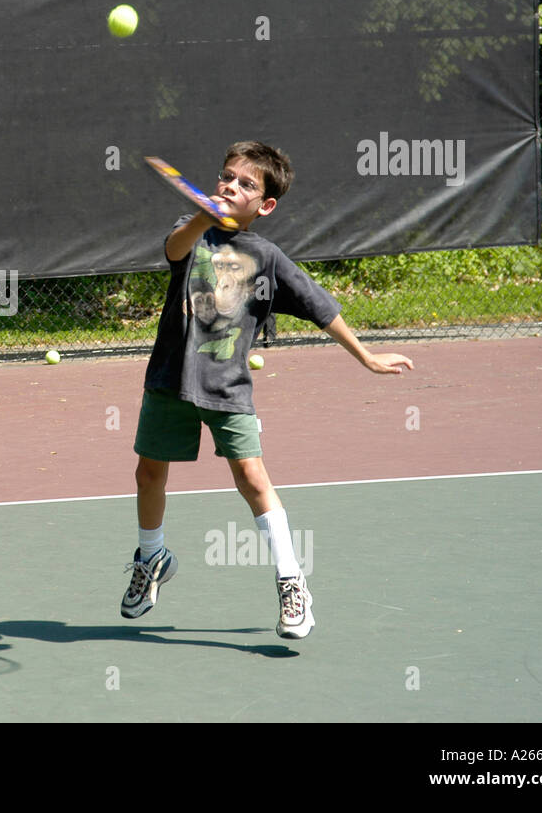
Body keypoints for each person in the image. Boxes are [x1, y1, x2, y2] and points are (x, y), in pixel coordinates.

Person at [123, 140, 414, 638]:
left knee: (252, 479)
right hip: (169, 379)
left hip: (227, 388)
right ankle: (152, 558)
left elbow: (322, 308)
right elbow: (173, 249)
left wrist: (366, 356)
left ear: (266, 204)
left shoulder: (268, 258)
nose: (230, 186)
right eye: (226, 177)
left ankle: (292, 582)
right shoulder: (190, 234)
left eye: (246, 184)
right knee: (148, 476)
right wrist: (202, 216)